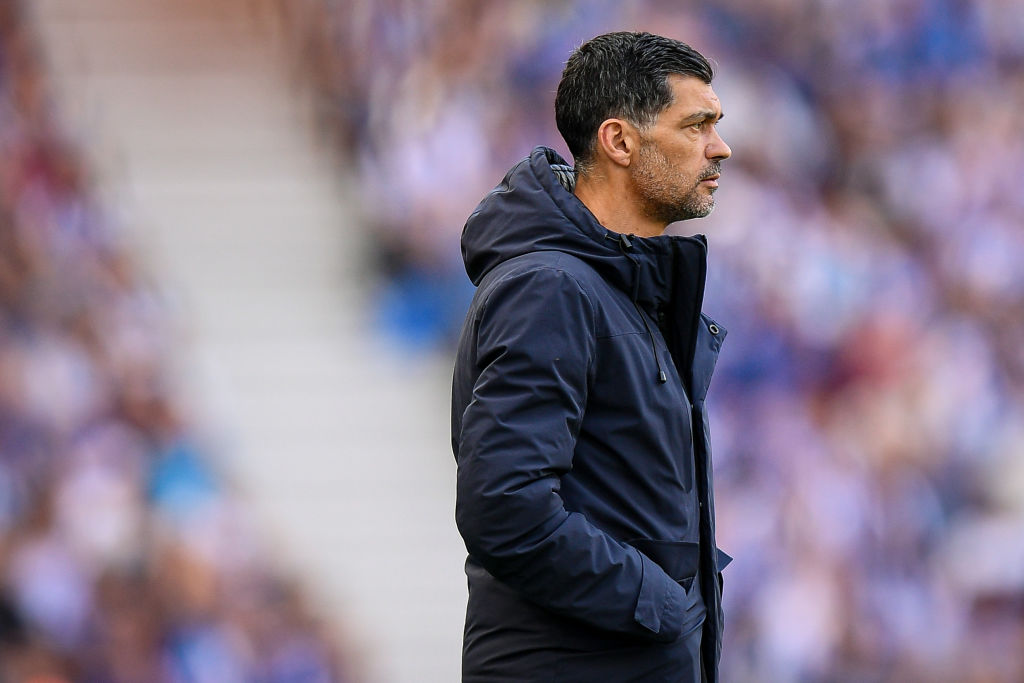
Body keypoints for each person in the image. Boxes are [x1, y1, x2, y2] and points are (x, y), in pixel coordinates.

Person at [451, 31, 733, 682]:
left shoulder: (620, 291)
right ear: (620, 141)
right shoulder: (551, 288)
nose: (720, 147)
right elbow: (505, 506)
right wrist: (662, 601)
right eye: (696, 125)